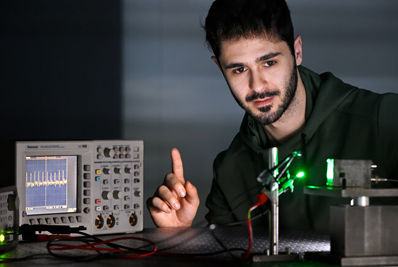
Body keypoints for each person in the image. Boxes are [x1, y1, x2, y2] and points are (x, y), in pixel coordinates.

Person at [147, 0, 398, 233]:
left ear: (297, 52)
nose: (257, 85)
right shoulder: (230, 170)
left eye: (268, 63)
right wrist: (178, 236)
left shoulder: (384, 119)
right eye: (239, 69)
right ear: (219, 68)